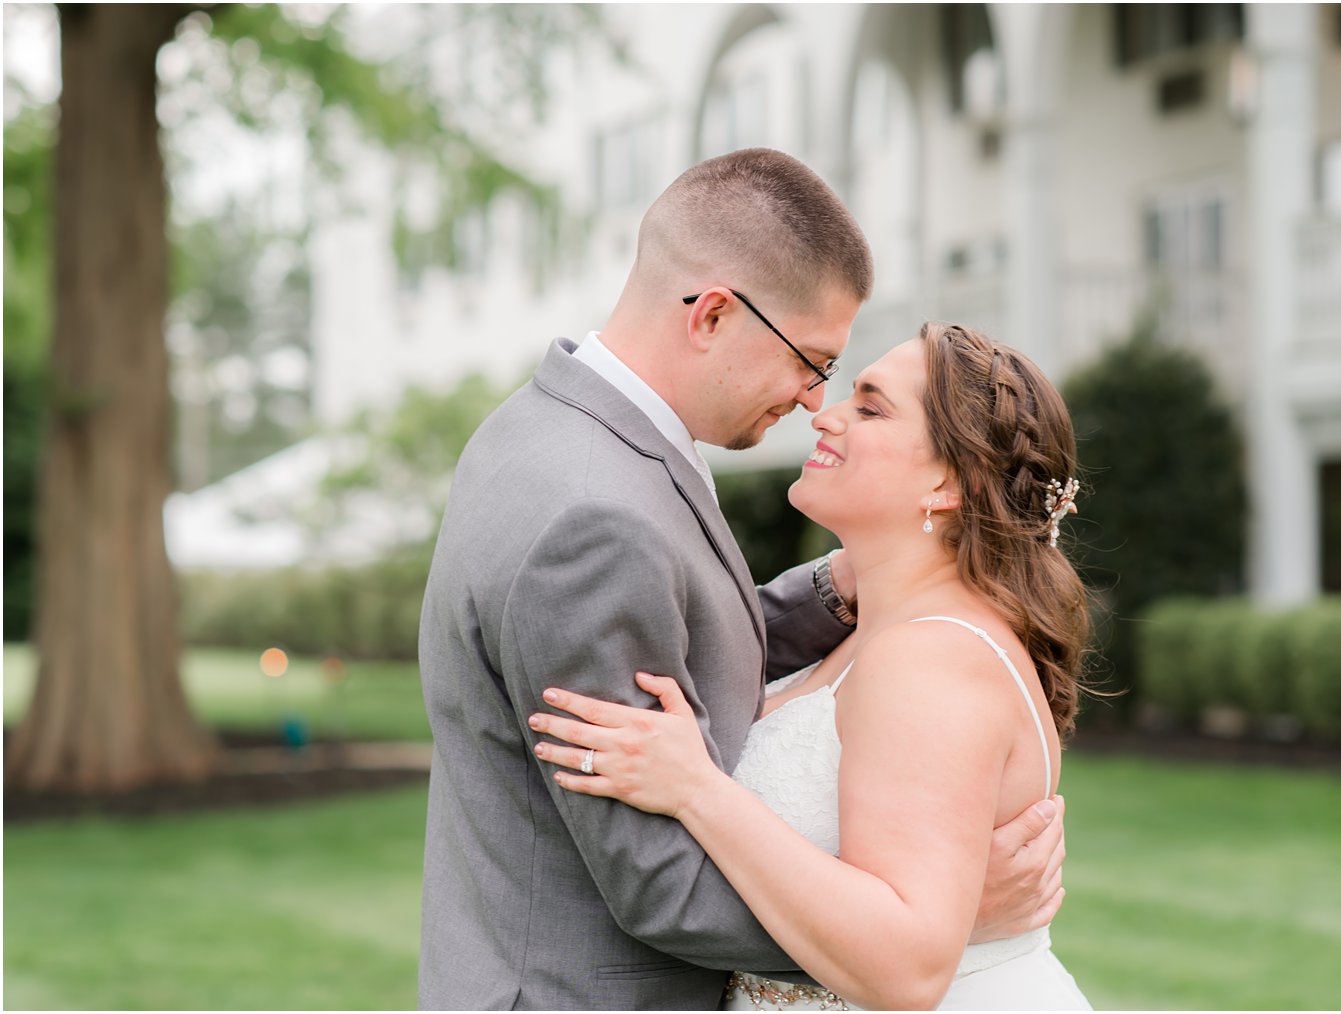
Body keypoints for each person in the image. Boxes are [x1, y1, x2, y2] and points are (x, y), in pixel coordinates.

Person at [417, 149, 1067, 1010]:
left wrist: (848, 583)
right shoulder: (594, 511)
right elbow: (658, 879)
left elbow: (678, 638)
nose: (812, 402)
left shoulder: (547, 431)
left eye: (852, 392)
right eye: (813, 361)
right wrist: (943, 923)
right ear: (715, 315)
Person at [530, 323, 1093, 1010]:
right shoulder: (881, 633)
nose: (825, 416)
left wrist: (695, 789)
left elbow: (906, 970)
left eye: (870, 406)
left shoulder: (930, 660)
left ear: (951, 482)